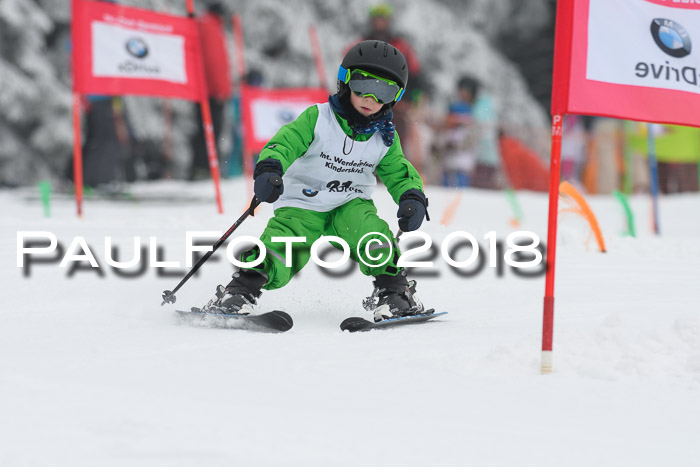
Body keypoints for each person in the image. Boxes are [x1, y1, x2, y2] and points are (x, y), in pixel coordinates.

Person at [202, 40, 431, 323]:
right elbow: (285, 142)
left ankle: (396, 293)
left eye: (383, 91)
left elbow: (399, 170)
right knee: (282, 244)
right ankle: (239, 292)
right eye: (363, 85)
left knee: (374, 237)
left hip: (350, 203)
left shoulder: (384, 137)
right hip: (303, 201)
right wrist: (270, 169)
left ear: (395, 96)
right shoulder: (319, 118)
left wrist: (412, 196)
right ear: (346, 82)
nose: (371, 98)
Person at [189, 2, 232, 180]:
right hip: (212, 91)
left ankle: (201, 167)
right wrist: (220, 90)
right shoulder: (211, 27)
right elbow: (214, 63)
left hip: (203, 89)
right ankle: (205, 168)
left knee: (203, 129)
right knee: (210, 130)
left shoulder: (205, 25)